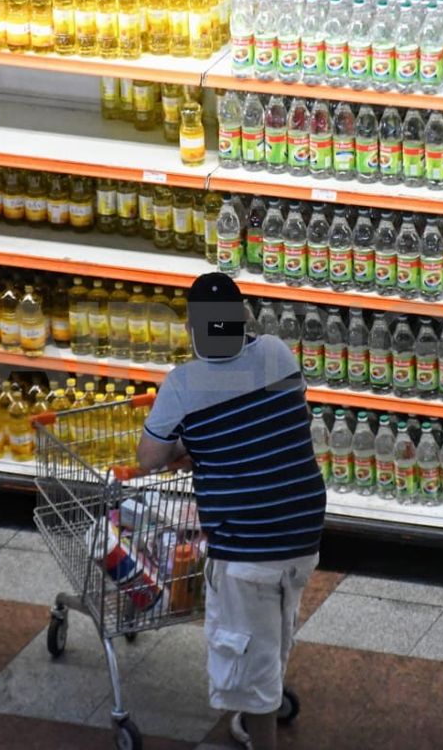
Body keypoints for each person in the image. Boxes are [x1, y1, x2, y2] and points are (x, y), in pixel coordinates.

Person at [137, 272, 325, 750]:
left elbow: (149, 459)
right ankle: (266, 694)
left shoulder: (183, 385)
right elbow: (292, 419)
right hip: (303, 532)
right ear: (243, 320)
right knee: (275, 624)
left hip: (246, 545)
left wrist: (192, 441)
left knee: (247, 647)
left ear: (193, 330)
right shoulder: (277, 353)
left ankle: (262, 735)